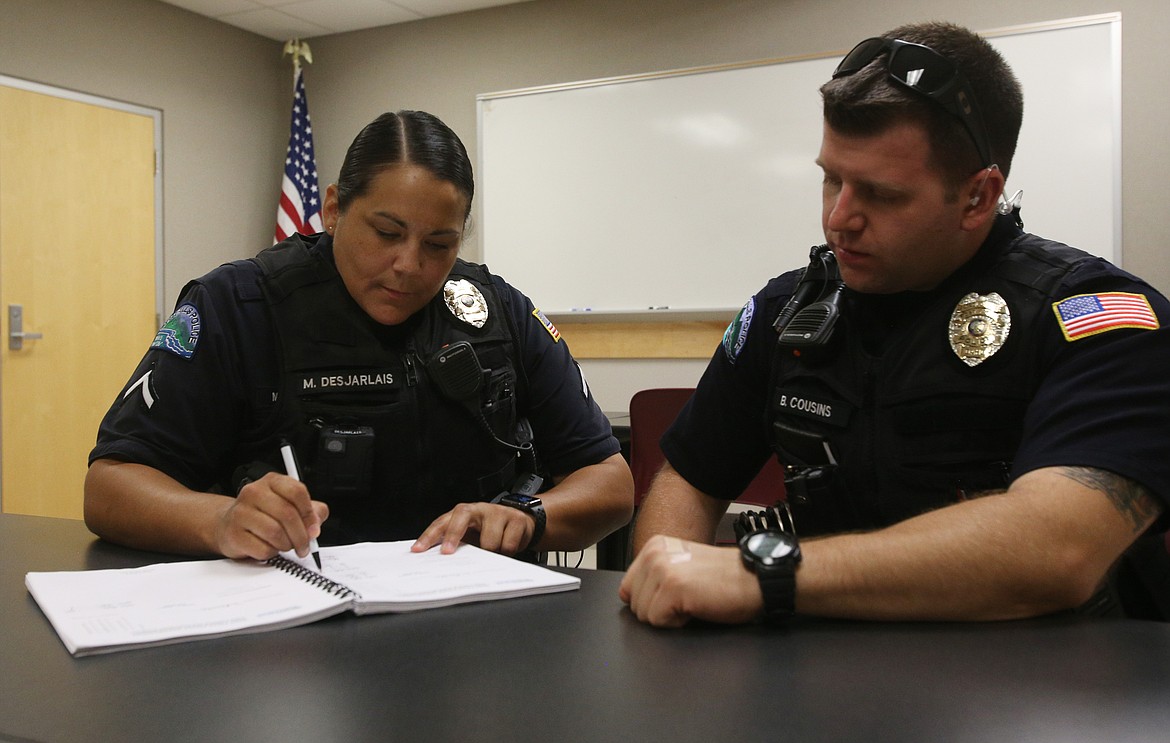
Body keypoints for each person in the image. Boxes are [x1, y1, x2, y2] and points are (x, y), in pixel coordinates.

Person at [620, 21, 1170, 627]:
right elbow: (689, 481)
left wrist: (766, 572)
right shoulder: (787, 312)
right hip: (826, 686)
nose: (838, 219)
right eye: (831, 178)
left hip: (1045, 699)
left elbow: (1059, 549)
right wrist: (666, 589)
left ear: (978, 197)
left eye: (880, 195)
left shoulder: (1100, 317)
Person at [85, 110, 633, 563]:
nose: (408, 265)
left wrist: (526, 517)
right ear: (332, 209)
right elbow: (110, 488)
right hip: (292, 641)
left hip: (474, 636)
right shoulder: (240, 305)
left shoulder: (497, 312)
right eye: (386, 233)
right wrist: (220, 520)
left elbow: (610, 482)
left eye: (439, 244)